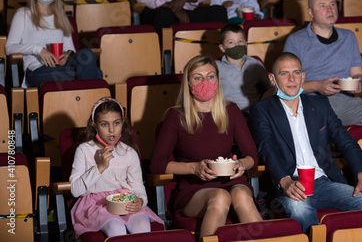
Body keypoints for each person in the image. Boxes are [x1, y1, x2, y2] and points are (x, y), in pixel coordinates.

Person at [250, 52, 362, 233]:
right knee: (299, 209)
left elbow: (347, 142)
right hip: (288, 186)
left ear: (303, 76)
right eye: (284, 73)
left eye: (296, 73)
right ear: (272, 79)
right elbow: (267, 148)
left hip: (324, 182)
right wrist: (285, 181)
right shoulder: (262, 110)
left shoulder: (320, 105)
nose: (291, 79)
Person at [150, 55, 261, 241]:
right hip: (193, 190)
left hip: (232, 181)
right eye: (198, 77)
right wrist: (194, 168)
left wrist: (242, 164)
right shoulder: (175, 116)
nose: (205, 82)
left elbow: (252, 156)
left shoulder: (231, 110)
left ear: (217, 79)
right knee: (220, 197)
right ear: (188, 82)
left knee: (241, 194)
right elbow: (157, 164)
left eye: (210, 76)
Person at [283, 0, 362, 126]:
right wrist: (317, 86)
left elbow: (358, 74)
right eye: (322, 6)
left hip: (345, 102)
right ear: (311, 13)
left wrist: (358, 83)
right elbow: (286, 85)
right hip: (310, 103)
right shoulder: (296, 40)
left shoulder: (348, 37)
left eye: (332, 4)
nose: (330, 9)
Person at [69, 97, 163, 238]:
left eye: (116, 123)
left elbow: (138, 188)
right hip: (95, 205)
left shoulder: (129, 152)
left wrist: (141, 201)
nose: (112, 130)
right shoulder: (84, 150)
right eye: (104, 124)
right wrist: (100, 167)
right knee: (116, 227)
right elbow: (76, 191)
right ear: (95, 126)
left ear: (122, 123)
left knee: (143, 226)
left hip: (124, 201)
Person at [5, 0, 102, 88]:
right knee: (96, 73)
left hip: (62, 67)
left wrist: (68, 55)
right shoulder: (23, 14)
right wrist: (38, 49)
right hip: (38, 70)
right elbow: (9, 47)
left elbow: (70, 49)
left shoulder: (61, 17)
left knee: (87, 54)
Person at [216, 24, 273, 115]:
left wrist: (263, 102)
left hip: (253, 112)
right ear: (222, 48)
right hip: (228, 114)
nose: (237, 45)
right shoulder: (216, 67)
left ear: (246, 43)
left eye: (240, 41)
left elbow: (271, 86)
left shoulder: (254, 64)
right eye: (231, 42)